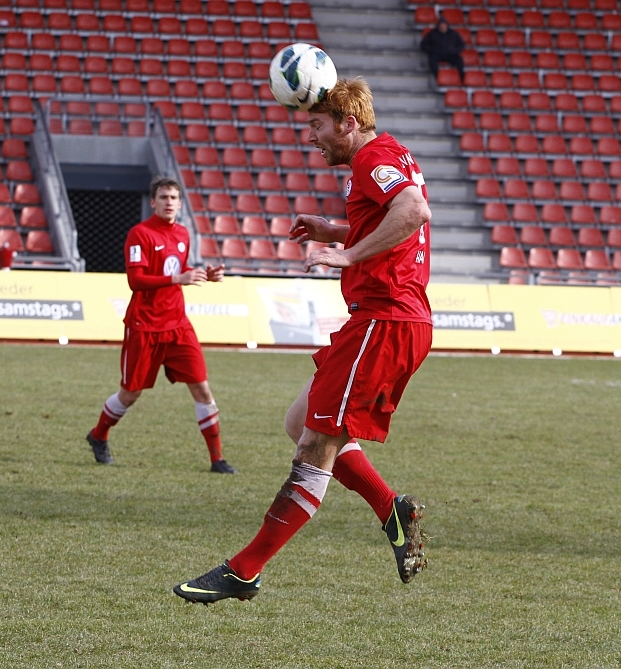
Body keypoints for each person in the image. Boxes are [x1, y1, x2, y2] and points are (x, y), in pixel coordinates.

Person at [173, 77, 433, 603]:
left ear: (348, 124)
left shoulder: (370, 157)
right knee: (301, 422)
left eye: (316, 126)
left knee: (316, 444)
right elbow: (395, 214)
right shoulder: (384, 155)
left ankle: (244, 569)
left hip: (385, 320)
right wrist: (335, 231)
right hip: (385, 320)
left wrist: (349, 255)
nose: (310, 137)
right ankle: (392, 510)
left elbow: (413, 212)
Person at [86, 176, 237, 474]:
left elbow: (178, 269)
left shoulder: (182, 233)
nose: (169, 203)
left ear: (180, 204)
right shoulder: (139, 234)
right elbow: (136, 280)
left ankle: (217, 459)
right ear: (153, 202)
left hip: (178, 325)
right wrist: (177, 279)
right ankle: (98, 434)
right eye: (164, 197)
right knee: (130, 393)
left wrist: (202, 274)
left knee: (202, 388)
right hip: (144, 326)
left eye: (174, 198)